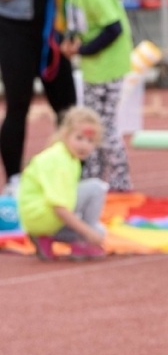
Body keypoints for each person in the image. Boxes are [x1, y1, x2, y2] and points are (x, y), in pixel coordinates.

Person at [0, 0, 76, 193]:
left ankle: (71, 171)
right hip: (15, 31)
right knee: (18, 103)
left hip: (52, 34)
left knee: (67, 105)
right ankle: (15, 177)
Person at [47, 0, 133, 192]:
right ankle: (93, 180)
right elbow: (83, 23)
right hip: (95, 68)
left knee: (103, 128)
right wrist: (72, 41)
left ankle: (121, 182)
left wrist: (82, 50)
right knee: (93, 124)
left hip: (108, 67)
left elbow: (113, 28)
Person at [17, 104, 108, 261]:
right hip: (42, 215)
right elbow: (59, 207)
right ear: (66, 135)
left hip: (34, 218)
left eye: (90, 141)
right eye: (79, 138)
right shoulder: (60, 161)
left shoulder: (67, 156)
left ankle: (45, 237)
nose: (84, 145)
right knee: (96, 188)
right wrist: (88, 232)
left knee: (99, 230)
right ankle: (81, 242)